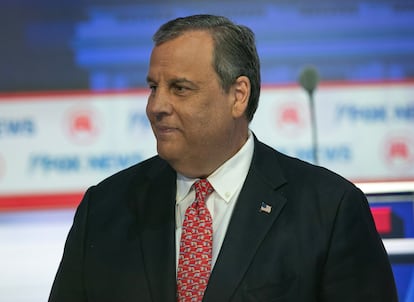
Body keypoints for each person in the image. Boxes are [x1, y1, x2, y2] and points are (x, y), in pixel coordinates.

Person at [49, 14, 398, 302]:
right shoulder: (106, 207)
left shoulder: (329, 209)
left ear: (238, 96)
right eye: (154, 87)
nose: (156, 106)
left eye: (180, 88)